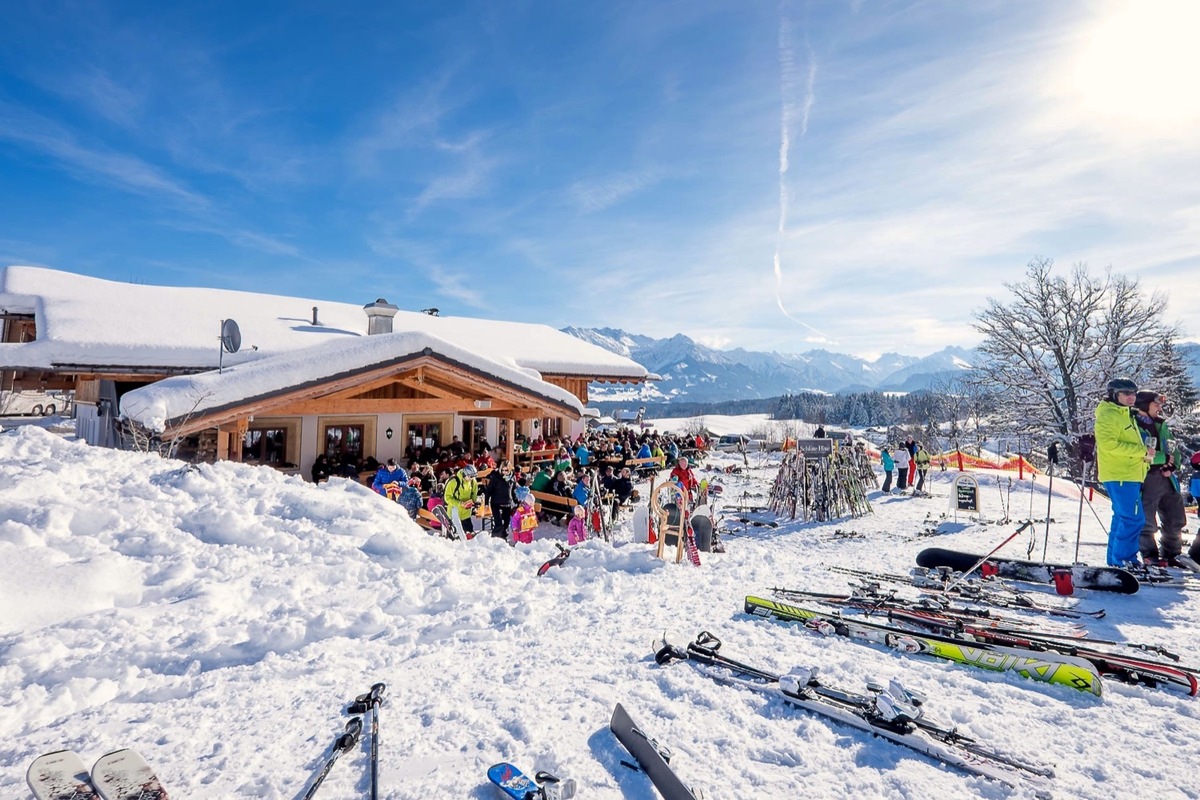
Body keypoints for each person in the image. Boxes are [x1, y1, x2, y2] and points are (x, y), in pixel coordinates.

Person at [1095, 377, 1154, 567]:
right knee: (1133, 519)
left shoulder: (1124, 413)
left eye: (1133, 393)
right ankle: (1124, 561)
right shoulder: (1109, 415)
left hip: (1129, 473)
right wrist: (1141, 451)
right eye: (1126, 393)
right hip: (1120, 474)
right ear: (1114, 394)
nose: (1131, 397)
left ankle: (1116, 563)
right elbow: (1109, 444)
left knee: (1123, 517)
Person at [1133, 391, 1187, 566]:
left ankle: (1172, 554)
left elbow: (1173, 448)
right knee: (1147, 519)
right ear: (1144, 405)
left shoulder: (1161, 424)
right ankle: (1149, 553)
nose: (1160, 408)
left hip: (1167, 478)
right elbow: (1137, 452)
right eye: (1156, 405)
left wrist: (1173, 465)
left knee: (1175, 517)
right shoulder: (1132, 424)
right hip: (1147, 477)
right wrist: (1161, 459)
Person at [443, 464, 480, 537]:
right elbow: (447, 498)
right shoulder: (454, 482)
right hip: (454, 514)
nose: (471, 479)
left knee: (469, 537)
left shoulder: (473, 482)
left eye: (473, 477)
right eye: (470, 477)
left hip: (466, 514)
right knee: (454, 538)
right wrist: (459, 503)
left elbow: (474, 493)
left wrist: (474, 502)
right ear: (465, 474)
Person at [484, 460, 517, 540]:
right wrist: (486, 503)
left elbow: (513, 491)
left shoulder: (512, 478)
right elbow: (489, 490)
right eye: (502, 470)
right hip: (496, 503)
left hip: (507, 503)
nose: (504, 472)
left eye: (506, 470)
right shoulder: (496, 477)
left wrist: (516, 501)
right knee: (498, 523)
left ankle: (503, 539)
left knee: (506, 523)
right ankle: (493, 539)